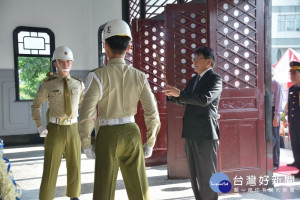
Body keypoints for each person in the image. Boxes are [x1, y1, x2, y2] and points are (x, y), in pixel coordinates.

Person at [78, 19, 161, 200]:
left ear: (105, 46)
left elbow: (86, 114)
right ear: (128, 47)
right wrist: (150, 141)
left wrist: (85, 143)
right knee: (139, 187)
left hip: (107, 134)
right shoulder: (140, 76)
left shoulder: (97, 76)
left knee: (104, 189)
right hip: (132, 132)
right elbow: (152, 111)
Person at [165, 47, 222, 200]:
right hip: (190, 132)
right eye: (193, 58)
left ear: (209, 62)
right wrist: (172, 96)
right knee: (194, 174)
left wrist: (180, 94)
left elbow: (204, 100)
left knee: (208, 173)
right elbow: (186, 99)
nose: (194, 62)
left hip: (206, 133)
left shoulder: (215, 79)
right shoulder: (194, 80)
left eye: (198, 58)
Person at [31, 46, 84, 200]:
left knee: (75, 165)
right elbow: (36, 105)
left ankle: (74, 195)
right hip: (55, 129)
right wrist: (39, 125)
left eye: (69, 62)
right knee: (51, 166)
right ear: (55, 64)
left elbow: (83, 105)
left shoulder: (78, 84)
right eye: (62, 62)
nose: (66, 65)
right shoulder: (48, 84)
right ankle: (46, 197)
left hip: (73, 128)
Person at [284, 61, 300, 177]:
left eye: (294, 73)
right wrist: (287, 118)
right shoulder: (291, 89)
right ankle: (298, 163)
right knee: (295, 144)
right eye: (291, 74)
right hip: (294, 122)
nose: (292, 76)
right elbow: (290, 105)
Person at [271, 68, 284, 170]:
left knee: (274, 137)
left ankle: (275, 162)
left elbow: (279, 102)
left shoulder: (277, 84)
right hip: (264, 111)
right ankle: (267, 160)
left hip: (273, 111)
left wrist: (276, 116)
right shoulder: (261, 84)